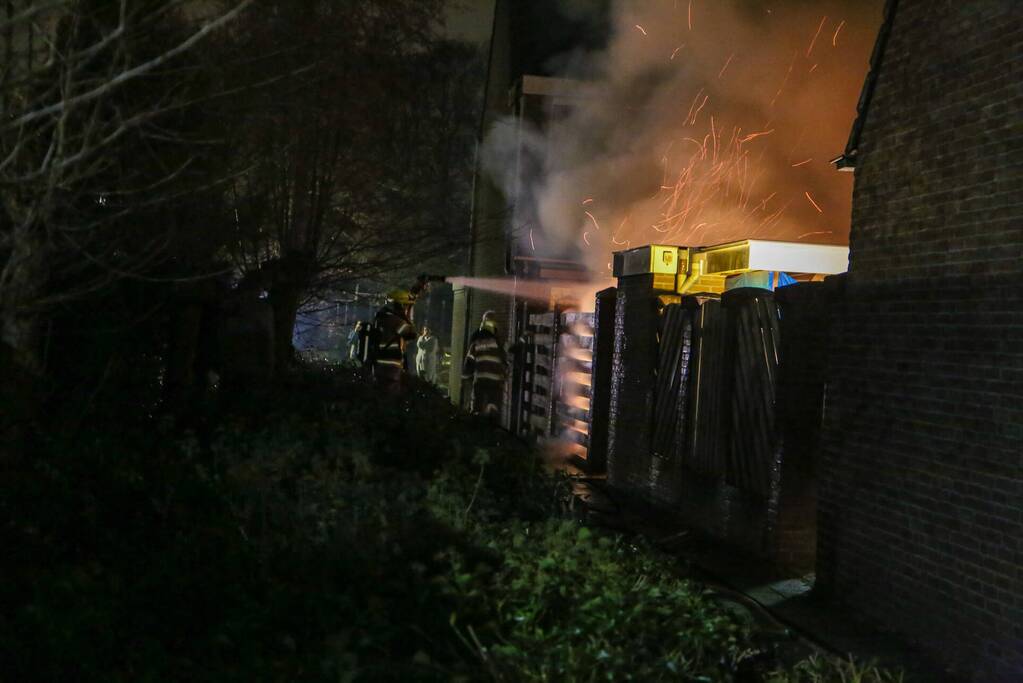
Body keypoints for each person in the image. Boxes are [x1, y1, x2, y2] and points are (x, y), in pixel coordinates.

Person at [462, 311, 506, 417]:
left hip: (480, 380)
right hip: (495, 383)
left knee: (476, 408)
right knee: (493, 409)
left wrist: (465, 377)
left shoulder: (476, 342)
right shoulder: (498, 343)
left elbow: (469, 362)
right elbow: (504, 360)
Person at [373, 290, 417, 387]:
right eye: (405, 305)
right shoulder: (394, 320)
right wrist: (405, 316)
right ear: (398, 305)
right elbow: (411, 334)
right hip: (391, 362)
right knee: (392, 392)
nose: (406, 308)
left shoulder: (381, 317)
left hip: (380, 360)